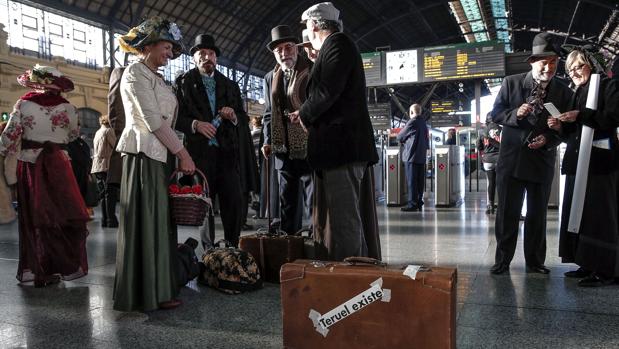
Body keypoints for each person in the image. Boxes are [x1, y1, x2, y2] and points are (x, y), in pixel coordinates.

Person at [114, 16, 196, 311]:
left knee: (160, 224)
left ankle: (160, 287)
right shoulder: (135, 73)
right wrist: (183, 153)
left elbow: (168, 122)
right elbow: (152, 121)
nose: (170, 53)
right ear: (147, 46)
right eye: (166, 47)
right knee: (148, 224)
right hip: (143, 155)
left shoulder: (156, 77)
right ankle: (146, 292)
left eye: (172, 48)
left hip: (160, 156)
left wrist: (177, 151)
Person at [289, 2, 380, 261]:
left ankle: (352, 280)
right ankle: (356, 270)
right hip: (338, 150)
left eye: (307, 27)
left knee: (345, 221)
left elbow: (327, 91)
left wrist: (304, 113)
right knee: (344, 219)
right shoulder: (334, 47)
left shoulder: (338, 44)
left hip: (343, 150)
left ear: (315, 25)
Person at [489, 32, 572, 275]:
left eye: (554, 62)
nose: (549, 67)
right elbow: (496, 114)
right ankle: (502, 261)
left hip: (541, 161)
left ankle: (535, 262)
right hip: (512, 161)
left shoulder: (563, 92)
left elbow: (567, 129)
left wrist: (549, 138)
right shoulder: (511, 83)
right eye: (544, 61)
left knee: (537, 216)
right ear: (532, 62)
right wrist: (516, 114)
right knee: (507, 214)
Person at [0, 64, 89, 287]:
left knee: (34, 216)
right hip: (60, 164)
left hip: (31, 163)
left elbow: (9, 137)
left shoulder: (23, 103)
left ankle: (38, 267)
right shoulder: (69, 108)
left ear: (36, 83)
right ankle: (64, 265)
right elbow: (73, 135)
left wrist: (5, 150)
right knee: (60, 214)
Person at [548, 48, 619, 286]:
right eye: (570, 69)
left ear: (590, 64)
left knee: (599, 217)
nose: (575, 72)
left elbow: (613, 116)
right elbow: (574, 134)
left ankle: (606, 270)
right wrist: (560, 127)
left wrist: (581, 115)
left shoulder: (608, 86)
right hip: (578, 162)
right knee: (578, 214)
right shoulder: (577, 93)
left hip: (600, 163)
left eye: (579, 66)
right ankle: (586, 263)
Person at [175, 34, 252, 247]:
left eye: (211, 54)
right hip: (199, 154)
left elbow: (243, 119)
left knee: (233, 200)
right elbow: (176, 118)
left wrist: (234, 116)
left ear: (216, 58)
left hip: (227, 153)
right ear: (194, 58)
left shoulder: (230, 85)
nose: (207, 57)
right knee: (204, 203)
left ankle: (232, 245)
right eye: (202, 54)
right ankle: (209, 250)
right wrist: (195, 125)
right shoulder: (183, 83)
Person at [261, 25, 314, 235]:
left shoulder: (312, 70)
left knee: (314, 202)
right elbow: (268, 113)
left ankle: (315, 242)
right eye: (278, 50)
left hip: (309, 146)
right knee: (287, 202)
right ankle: (290, 242)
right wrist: (267, 140)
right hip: (282, 148)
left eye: (288, 47)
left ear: (297, 49)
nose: (284, 53)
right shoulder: (269, 78)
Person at [105, 66, 126, 230]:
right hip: (125, 140)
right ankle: (111, 218)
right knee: (114, 184)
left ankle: (110, 217)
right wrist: (121, 132)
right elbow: (115, 107)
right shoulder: (121, 72)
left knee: (112, 186)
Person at [397, 103, 429, 212]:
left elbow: (400, 136)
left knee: (411, 181)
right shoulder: (424, 123)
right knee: (420, 181)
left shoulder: (412, 122)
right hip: (421, 156)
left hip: (411, 156)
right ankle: (419, 201)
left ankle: (412, 204)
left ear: (411, 112)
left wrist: (403, 140)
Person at [91, 114, 118, 227]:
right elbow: (116, 146)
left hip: (97, 166)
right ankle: (111, 220)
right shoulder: (109, 131)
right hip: (107, 166)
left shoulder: (98, 132)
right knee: (110, 194)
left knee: (103, 195)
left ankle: (104, 219)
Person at [477, 116, 501, 214]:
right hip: (500, 159)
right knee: (501, 183)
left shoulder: (482, 131)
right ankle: (502, 205)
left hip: (488, 160)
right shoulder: (501, 129)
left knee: (491, 182)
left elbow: (479, 146)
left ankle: (490, 205)